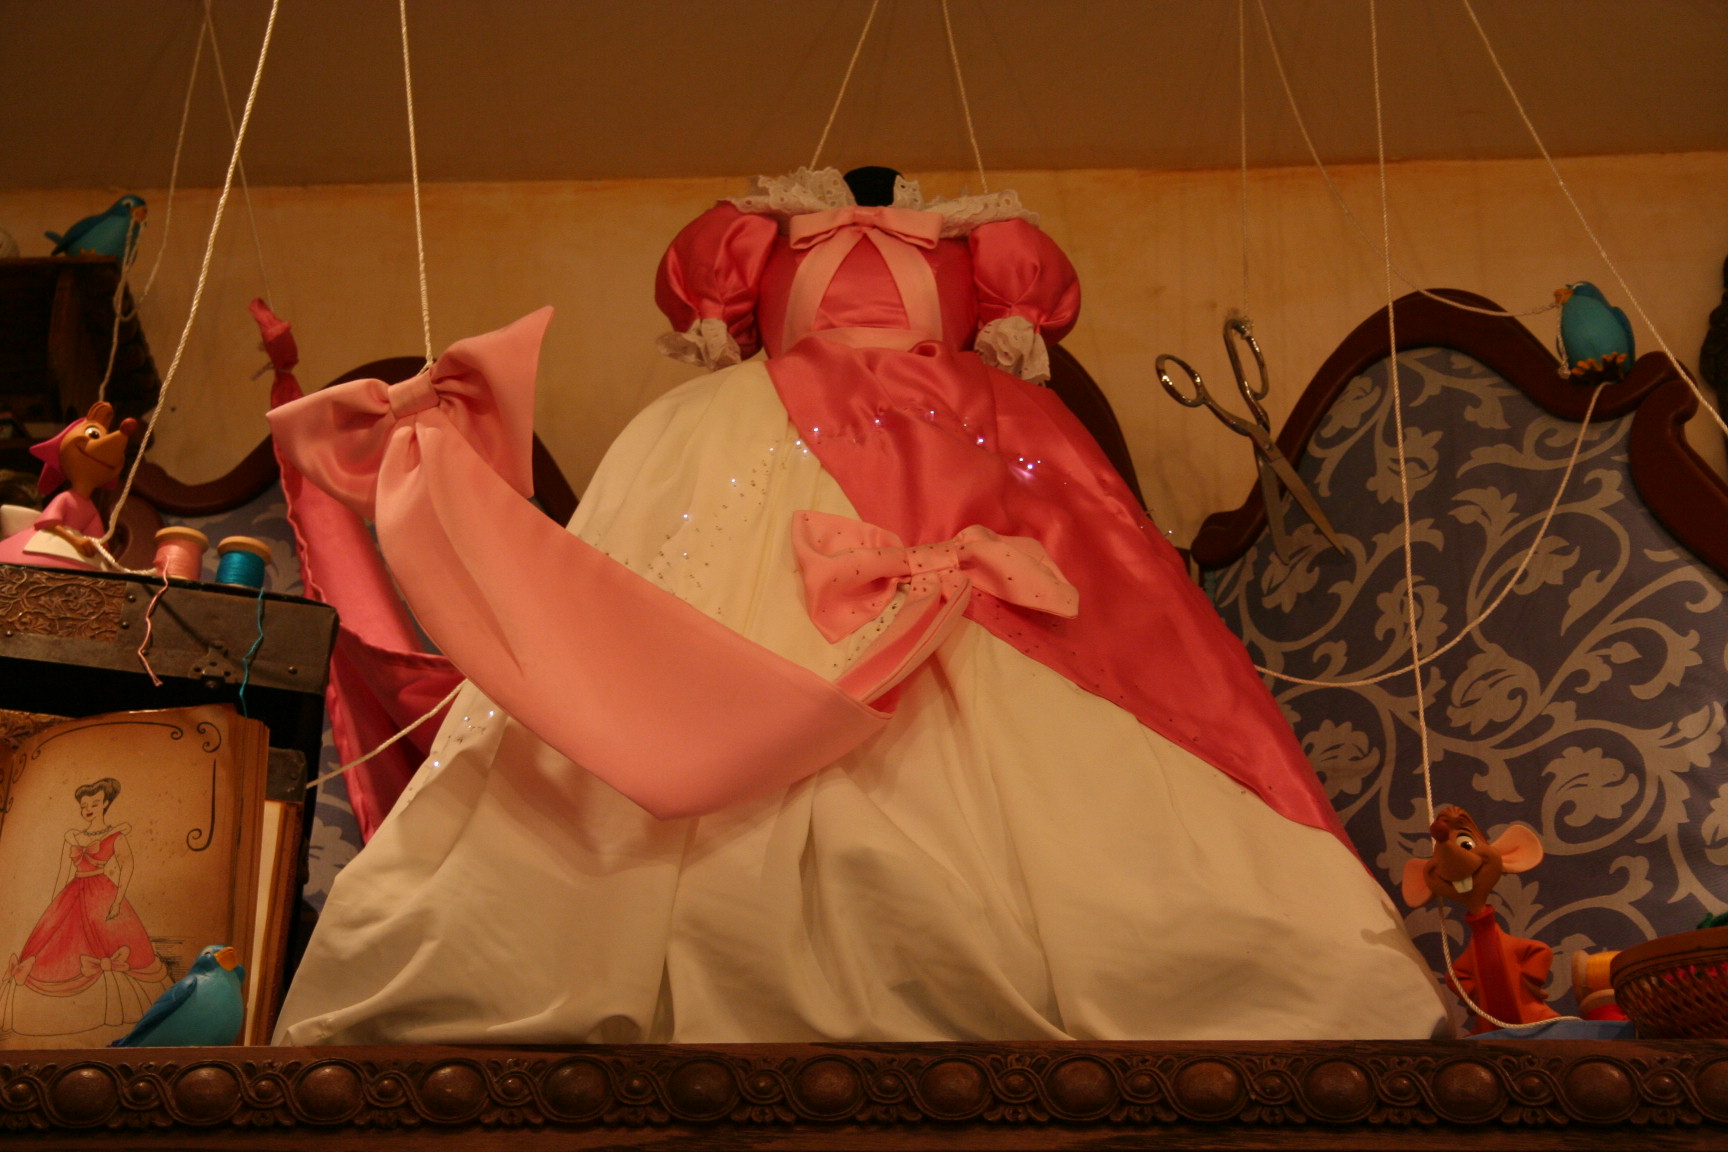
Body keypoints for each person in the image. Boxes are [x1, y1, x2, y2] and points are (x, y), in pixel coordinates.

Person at [271, 168, 1447, 1044]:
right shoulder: (754, 230)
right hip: (751, 441)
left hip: (973, 439)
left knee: (1049, 691)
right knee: (705, 621)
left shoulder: (985, 239)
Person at [0, 778, 171, 1037]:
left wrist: (118, 900)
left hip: (101, 893)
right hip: (72, 893)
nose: (88, 809)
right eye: (84, 805)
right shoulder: (73, 837)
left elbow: (127, 866)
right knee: (56, 948)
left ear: (105, 804)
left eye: (94, 803)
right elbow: (63, 872)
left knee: (107, 941)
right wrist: (53, 908)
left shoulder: (115, 835)